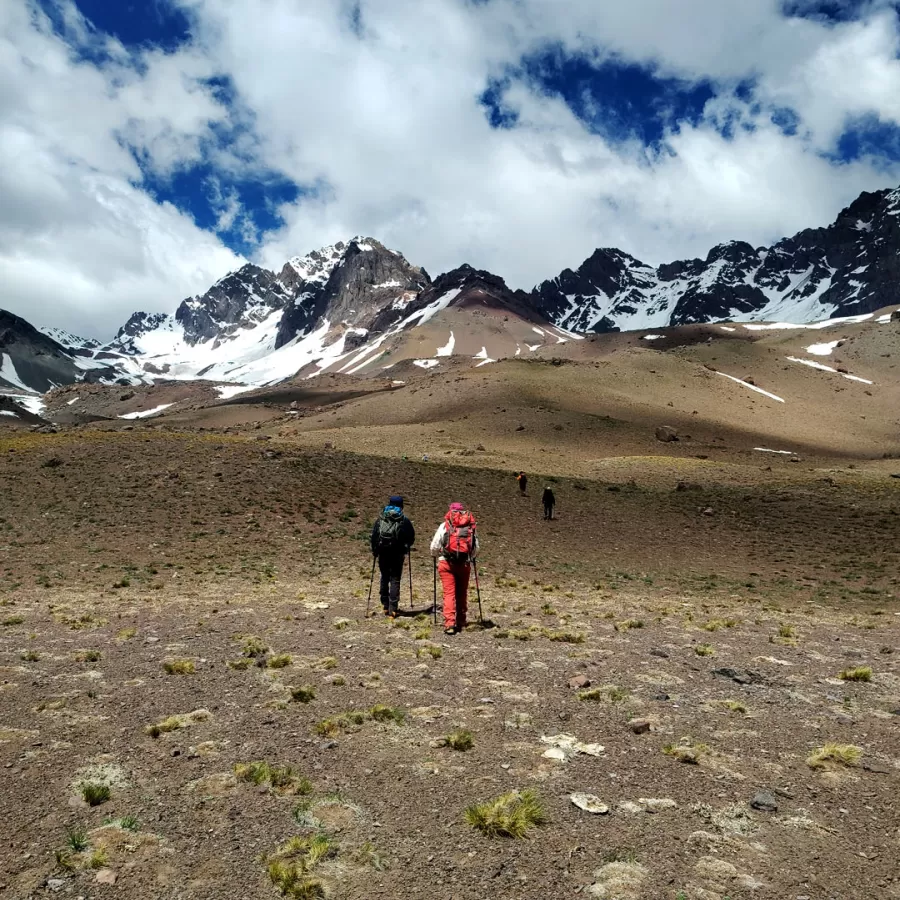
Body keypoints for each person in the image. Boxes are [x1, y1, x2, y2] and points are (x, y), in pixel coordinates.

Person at [430, 502, 479, 635]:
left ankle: (449, 623)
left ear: (450, 511)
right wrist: (470, 557)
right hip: (464, 564)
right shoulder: (470, 526)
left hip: (446, 563)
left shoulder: (445, 526)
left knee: (449, 593)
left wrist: (435, 555)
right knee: (462, 593)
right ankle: (461, 620)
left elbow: (435, 545)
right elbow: (475, 548)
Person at [370, 495, 415, 617]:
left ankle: (385, 605)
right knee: (395, 579)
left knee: (384, 576)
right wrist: (406, 547)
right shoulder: (403, 519)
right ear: (401, 505)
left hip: (383, 552)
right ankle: (393, 609)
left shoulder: (381, 519)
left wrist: (375, 550)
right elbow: (411, 536)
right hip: (397, 553)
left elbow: (374, 535)